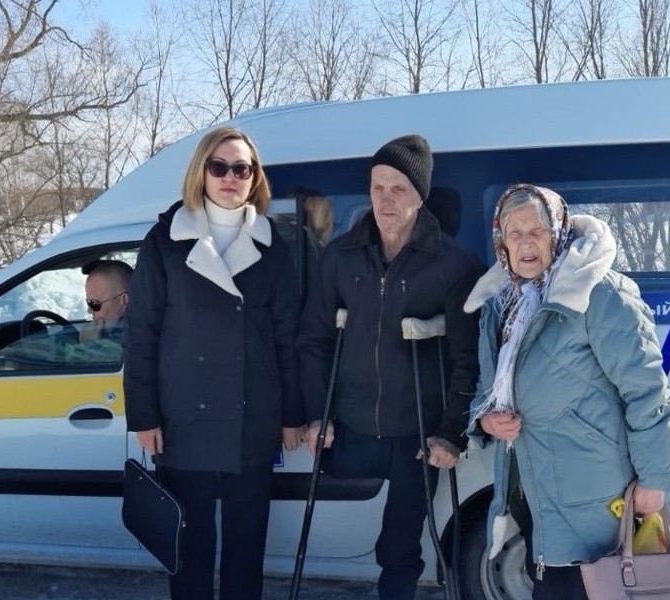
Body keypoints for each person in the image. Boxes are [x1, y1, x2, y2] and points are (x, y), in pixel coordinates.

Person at [465, 184, 670, 599]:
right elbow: (486, 389)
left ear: (559, 233)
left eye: (537, 231)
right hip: (534, 492)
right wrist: (486, 420)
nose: (526, 243)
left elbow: (648, 391)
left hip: (596, 494)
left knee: (598, 589)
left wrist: (656, 480)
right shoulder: (501, 305)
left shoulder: (599, 293)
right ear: (501, 242)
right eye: (514, 233)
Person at [297, 134, 482, 600]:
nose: (386, 199)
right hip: (350, 429)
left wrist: (452, 433)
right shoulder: (340, 256)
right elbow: (315, 339)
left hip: (415, 436)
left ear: (420, 196)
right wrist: (318, 415)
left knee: (400, 550)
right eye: (378, 187)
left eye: (399, 188)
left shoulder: (454, 266)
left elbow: (467, 359)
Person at [122, 126, 304, 600]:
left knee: (247, 551)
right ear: (200, 172)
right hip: (183, 420)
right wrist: (143, 415)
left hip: (253, 420)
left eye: (241, 168)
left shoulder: (274, 247)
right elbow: (141, 334)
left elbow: (287, 339)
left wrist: (292, 416)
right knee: (190, 554)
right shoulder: (165, 241)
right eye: (219, 166)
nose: (229, 177)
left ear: (254, 177)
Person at [80, 260, 133, 343]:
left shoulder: (135, 341)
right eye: (88, 303)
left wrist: (88, 345)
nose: (89, 311)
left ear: (124, 301)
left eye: (94, 303)